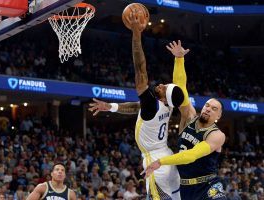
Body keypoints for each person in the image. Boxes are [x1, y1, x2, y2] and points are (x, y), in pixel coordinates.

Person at [89, 10, 189, 200]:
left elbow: (140, 68)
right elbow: (137, 108)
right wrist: (110, 106)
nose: (160, 84)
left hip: (156, 162)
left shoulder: (152, 104)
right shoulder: (165, 107)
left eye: (163, 87)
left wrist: (136, 33)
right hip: (168, 157)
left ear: (163, 97)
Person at [143, 43, 227, 199]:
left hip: (208, 187)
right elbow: (180, 90)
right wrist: (179, 59)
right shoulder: (189, 117)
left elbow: (192, 155)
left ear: (218, 117)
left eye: (214, 109)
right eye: (207, 105)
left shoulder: (217, 135)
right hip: (184, 187)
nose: (208, 109)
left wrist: (161, 162)